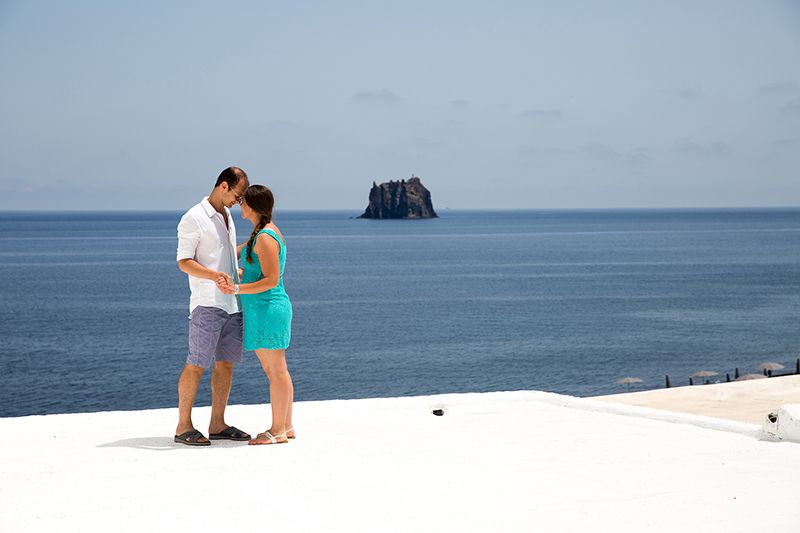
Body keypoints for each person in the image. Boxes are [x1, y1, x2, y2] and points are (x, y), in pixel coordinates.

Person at [174, 167, 252, 446]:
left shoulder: (227, 215)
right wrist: (214, 276)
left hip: (232, 302)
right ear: (223, 186)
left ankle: (217, 424)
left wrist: (252, 248)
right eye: (238, 195)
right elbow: (183, 261)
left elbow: (223, 253)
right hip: (207, 303)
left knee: (226, 365)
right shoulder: (194, 217)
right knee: (196, 364)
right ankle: (183, 426)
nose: (239, 201)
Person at [216, 184, 294, 445]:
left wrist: (236, 288)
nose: (240, 205)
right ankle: (286, 426)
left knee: (276, 371)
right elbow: (242, 257)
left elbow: (271, 280)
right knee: (277, 370)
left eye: (243, 202)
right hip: (261, 309)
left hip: (269, 307)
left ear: (253, 206)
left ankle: (278, 430)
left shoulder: (264, 237)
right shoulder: (259, 233)